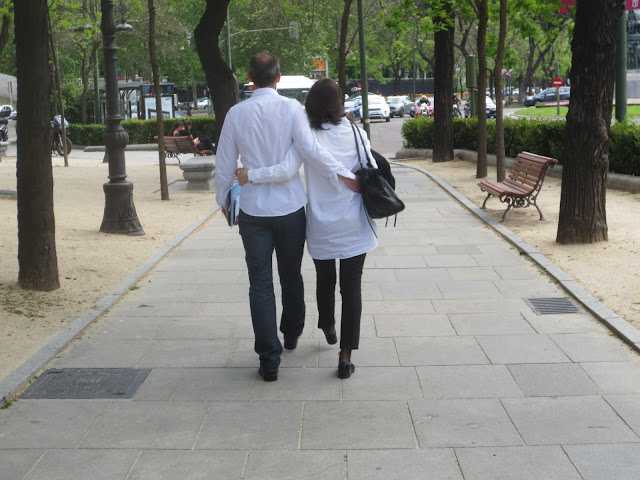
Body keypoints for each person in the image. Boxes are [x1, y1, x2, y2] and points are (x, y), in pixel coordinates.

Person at [215, 52, 358, 382]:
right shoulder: (293, 109)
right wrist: (345, 175)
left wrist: (224, 200)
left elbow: (224, 165)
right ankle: (291, 330)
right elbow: (311, 152)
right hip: (291, 208)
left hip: (253, 211)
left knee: (259, 283)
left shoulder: (236, 114)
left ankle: (269, 359)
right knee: (291, 274)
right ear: (278, 78)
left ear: (250, 78)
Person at [237, 78, 378, 379]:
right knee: (352, 286)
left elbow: (287, 169)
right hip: (354, 221)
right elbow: (371, 168)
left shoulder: (306, 137)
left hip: (322, 222)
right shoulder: (356, 132)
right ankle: (345, 357)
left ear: (310, 104)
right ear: (340, 103)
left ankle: (328, 324)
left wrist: (250, 175)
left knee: (325, 278)